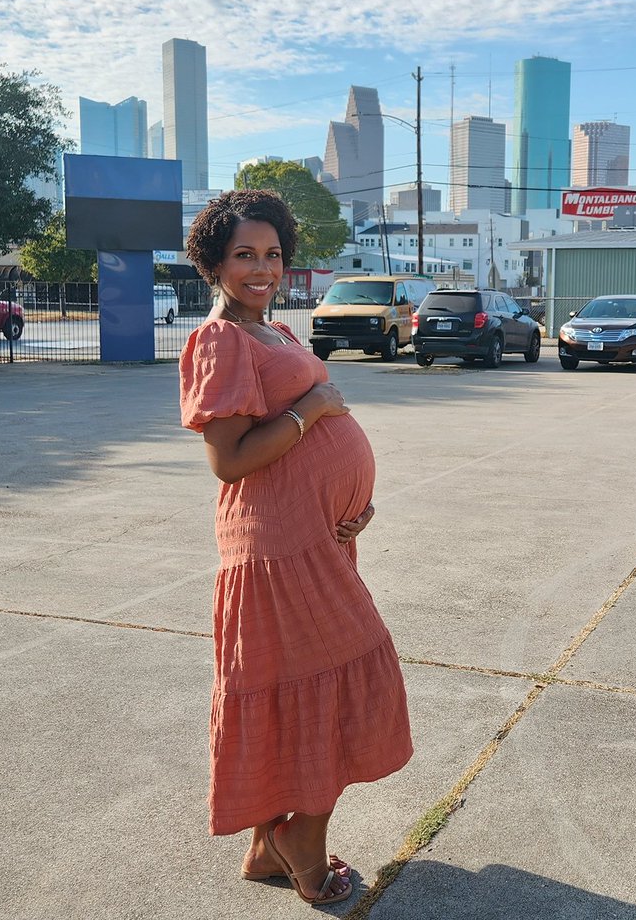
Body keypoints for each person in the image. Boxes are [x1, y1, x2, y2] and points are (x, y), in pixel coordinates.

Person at [179, 189, 412, 907]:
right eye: (243, 255)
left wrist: (349, 505)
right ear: (214, 263)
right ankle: (302, 851)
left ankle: (264, 850)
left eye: (271, 254)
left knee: (301, 685)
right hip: (274, 549)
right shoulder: (220, 338)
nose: (261, 268)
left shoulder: (274, 330)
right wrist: (313, 411)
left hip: (315, 540)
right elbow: (231, 460)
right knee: (340, 680)